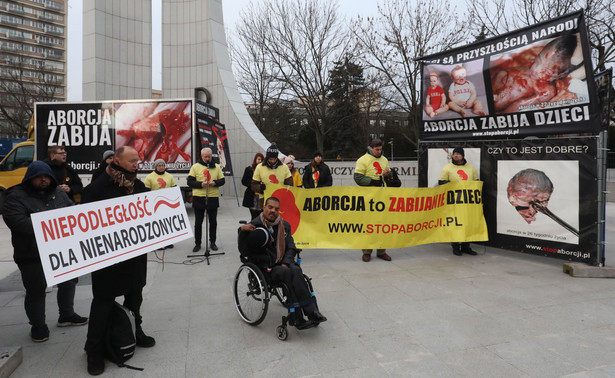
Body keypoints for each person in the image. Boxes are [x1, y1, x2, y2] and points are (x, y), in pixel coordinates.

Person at [82, 146, 155, 376]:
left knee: (135, 295)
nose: (137, 164)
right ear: (116, 160)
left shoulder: (139, 186)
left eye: (138, 161)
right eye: (132, 161)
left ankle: (136, 331)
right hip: (108, 259)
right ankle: (93, 349)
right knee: (103, 302)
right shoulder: (96, 189)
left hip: (134, 256)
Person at [3, 161, 88, 343]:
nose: (44, 180)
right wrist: (53, 223)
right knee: (36, 290)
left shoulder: (58, 192)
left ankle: (66, 314)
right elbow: (20, 224)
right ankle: (38, 325)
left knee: (68, 281)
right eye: (39, 177)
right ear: (29, 178)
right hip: (31, 253)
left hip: (60, 249)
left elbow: (70, 211)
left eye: (47, 176)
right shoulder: (14, 196)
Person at [239, 197, 327, 328]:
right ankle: (297, 316)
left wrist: (286, 261)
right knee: (286, 273)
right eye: (270, 207)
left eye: (276, 209)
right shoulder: (254, 225)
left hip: (283, 262)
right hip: (265, 267)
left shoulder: (284, 225)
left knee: (296, 270)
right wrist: (242, 231)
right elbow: (244, 251)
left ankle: (312, 311)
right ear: (264, 207)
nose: (273, 211)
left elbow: (291, 246)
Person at [354, 139, 393, 262]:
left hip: (382, 196)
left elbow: (388, 175)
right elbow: (358, 178)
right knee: (368, 225)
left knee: (383, 224)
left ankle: (382, 251)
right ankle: (367, 251)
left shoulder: (384, 159)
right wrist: (372, 182)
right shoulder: (362, 160)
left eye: (381, 149)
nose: (379, 152)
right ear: (370, 148)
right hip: (369, 197)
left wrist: (387, 175)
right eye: (377, 150)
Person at [438, 147, 478, 256]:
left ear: (463, 156)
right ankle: (455, 247)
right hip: (454, 201)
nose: (455, 155)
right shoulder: (447, 168)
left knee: (467, 223)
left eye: (458, 153)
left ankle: (466, 246)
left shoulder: (471, 168)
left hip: (468, 201)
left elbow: (476, 183)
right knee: (456, 224)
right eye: (454, 153)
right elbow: (442, 182)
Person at [188, 147, 225, 252]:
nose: (208, 158)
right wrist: (200, 184)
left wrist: (215, 183)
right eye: (206, 157)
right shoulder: (195, 167)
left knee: (213, 222)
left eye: (209, 156)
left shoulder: (216, 167)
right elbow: (189, 182)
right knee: (198, 222)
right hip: (199, 197)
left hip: (212, 197)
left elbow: (222, 180)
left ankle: (212, 242)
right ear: (201, 156)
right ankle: (198, 243)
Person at [144, 158, 177, 249]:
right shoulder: (150, 177)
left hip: (167, 204)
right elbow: (146, 191)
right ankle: (158, 243)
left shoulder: (169, 176)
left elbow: (174, 188)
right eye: (159, 165)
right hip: (155, 204)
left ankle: (168, 241)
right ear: (156, 166)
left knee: (167, 223)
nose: (161, 167)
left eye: (163, 165)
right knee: (157, 224)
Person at [241, 153, 264, 220]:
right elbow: (243, 181)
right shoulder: (249, 169)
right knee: (254, 216)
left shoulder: (265, 170)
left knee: (261, 216)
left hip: (261, 196)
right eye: (259, 159)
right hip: (252, 195)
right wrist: (252, 184)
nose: (260, 161)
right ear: (255, 160)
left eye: (262, 160)